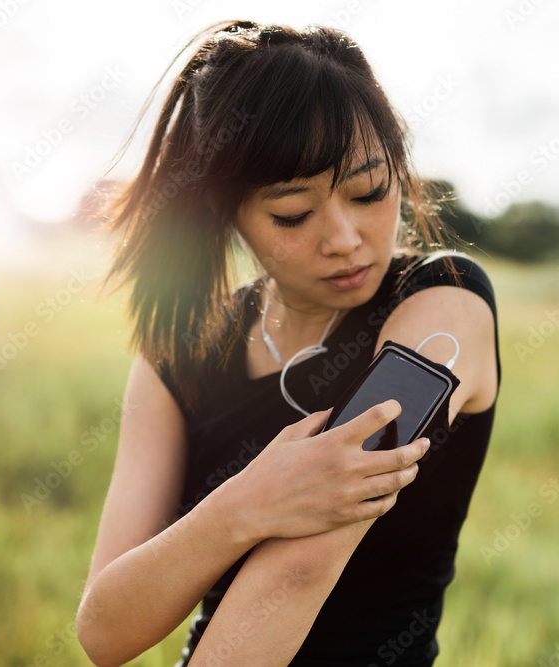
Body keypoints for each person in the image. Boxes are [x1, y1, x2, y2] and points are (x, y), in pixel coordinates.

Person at [75, 20, 499, 666]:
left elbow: (299, 570)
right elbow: (104, 630)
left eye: (368, 191)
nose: (344, 237)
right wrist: (246, 503)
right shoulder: (178, 354)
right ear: (228, 213)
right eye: (293, 214)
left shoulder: (444, 302)